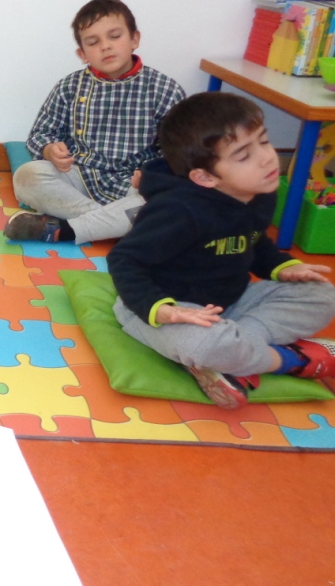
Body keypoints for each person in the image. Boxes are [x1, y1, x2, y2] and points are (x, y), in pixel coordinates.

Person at [108, 92, 335, 409]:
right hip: (167, 309)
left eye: (263, 141)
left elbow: (253, 241)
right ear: (205, 177)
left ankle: (232, 356)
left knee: (322, 294)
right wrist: (160, 310)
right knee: (206, 345)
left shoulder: (259, 189)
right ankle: (288, 359)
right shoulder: (178, 211)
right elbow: (124, 259)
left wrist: (284, 267)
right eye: (243, 156)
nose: (267, 158)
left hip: (232, 301)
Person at [6, 0, 185, 244]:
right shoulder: (69, 86)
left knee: (173, 198)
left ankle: (70, 228)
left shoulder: (165, 90)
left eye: (115, 36)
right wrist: (49, 150)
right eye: (93, 42)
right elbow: (40, 135)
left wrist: (151, 173)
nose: (106, 46)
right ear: (82, 54)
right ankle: (108, 224)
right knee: (26, 176)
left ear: (134, 39)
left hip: (133, 185)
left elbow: (178, 152)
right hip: (78, 175)